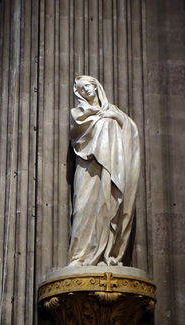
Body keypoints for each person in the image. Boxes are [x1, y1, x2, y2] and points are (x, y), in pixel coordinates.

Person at [68, 75, 140, 266]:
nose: (86, 91)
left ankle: (105, 255)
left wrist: (115, 117)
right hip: (88, 167)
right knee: (82, 208)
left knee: (107, 206)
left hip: (110, 171)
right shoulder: (78, 113)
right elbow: (79, 136)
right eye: (81, 89)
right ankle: (79, 256)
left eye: (88, 86)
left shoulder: (113, 112)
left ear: (97, 87)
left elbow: (130, 134)